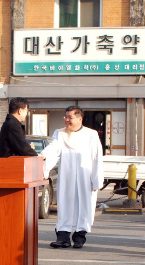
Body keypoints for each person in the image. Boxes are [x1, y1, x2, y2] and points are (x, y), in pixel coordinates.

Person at [41, 106, 104, 249]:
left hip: (85, 175)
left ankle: (80, 236)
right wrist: (42, 156)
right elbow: (53, 149)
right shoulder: (60, 133)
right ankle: (63, 237)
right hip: (67, 175)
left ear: (80, 119)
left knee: (84, 205)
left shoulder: (91, 134)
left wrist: (96, 179)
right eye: (65, 117)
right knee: (65, 203)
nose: (67, 120)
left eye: (70, 117)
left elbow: (97, 157)